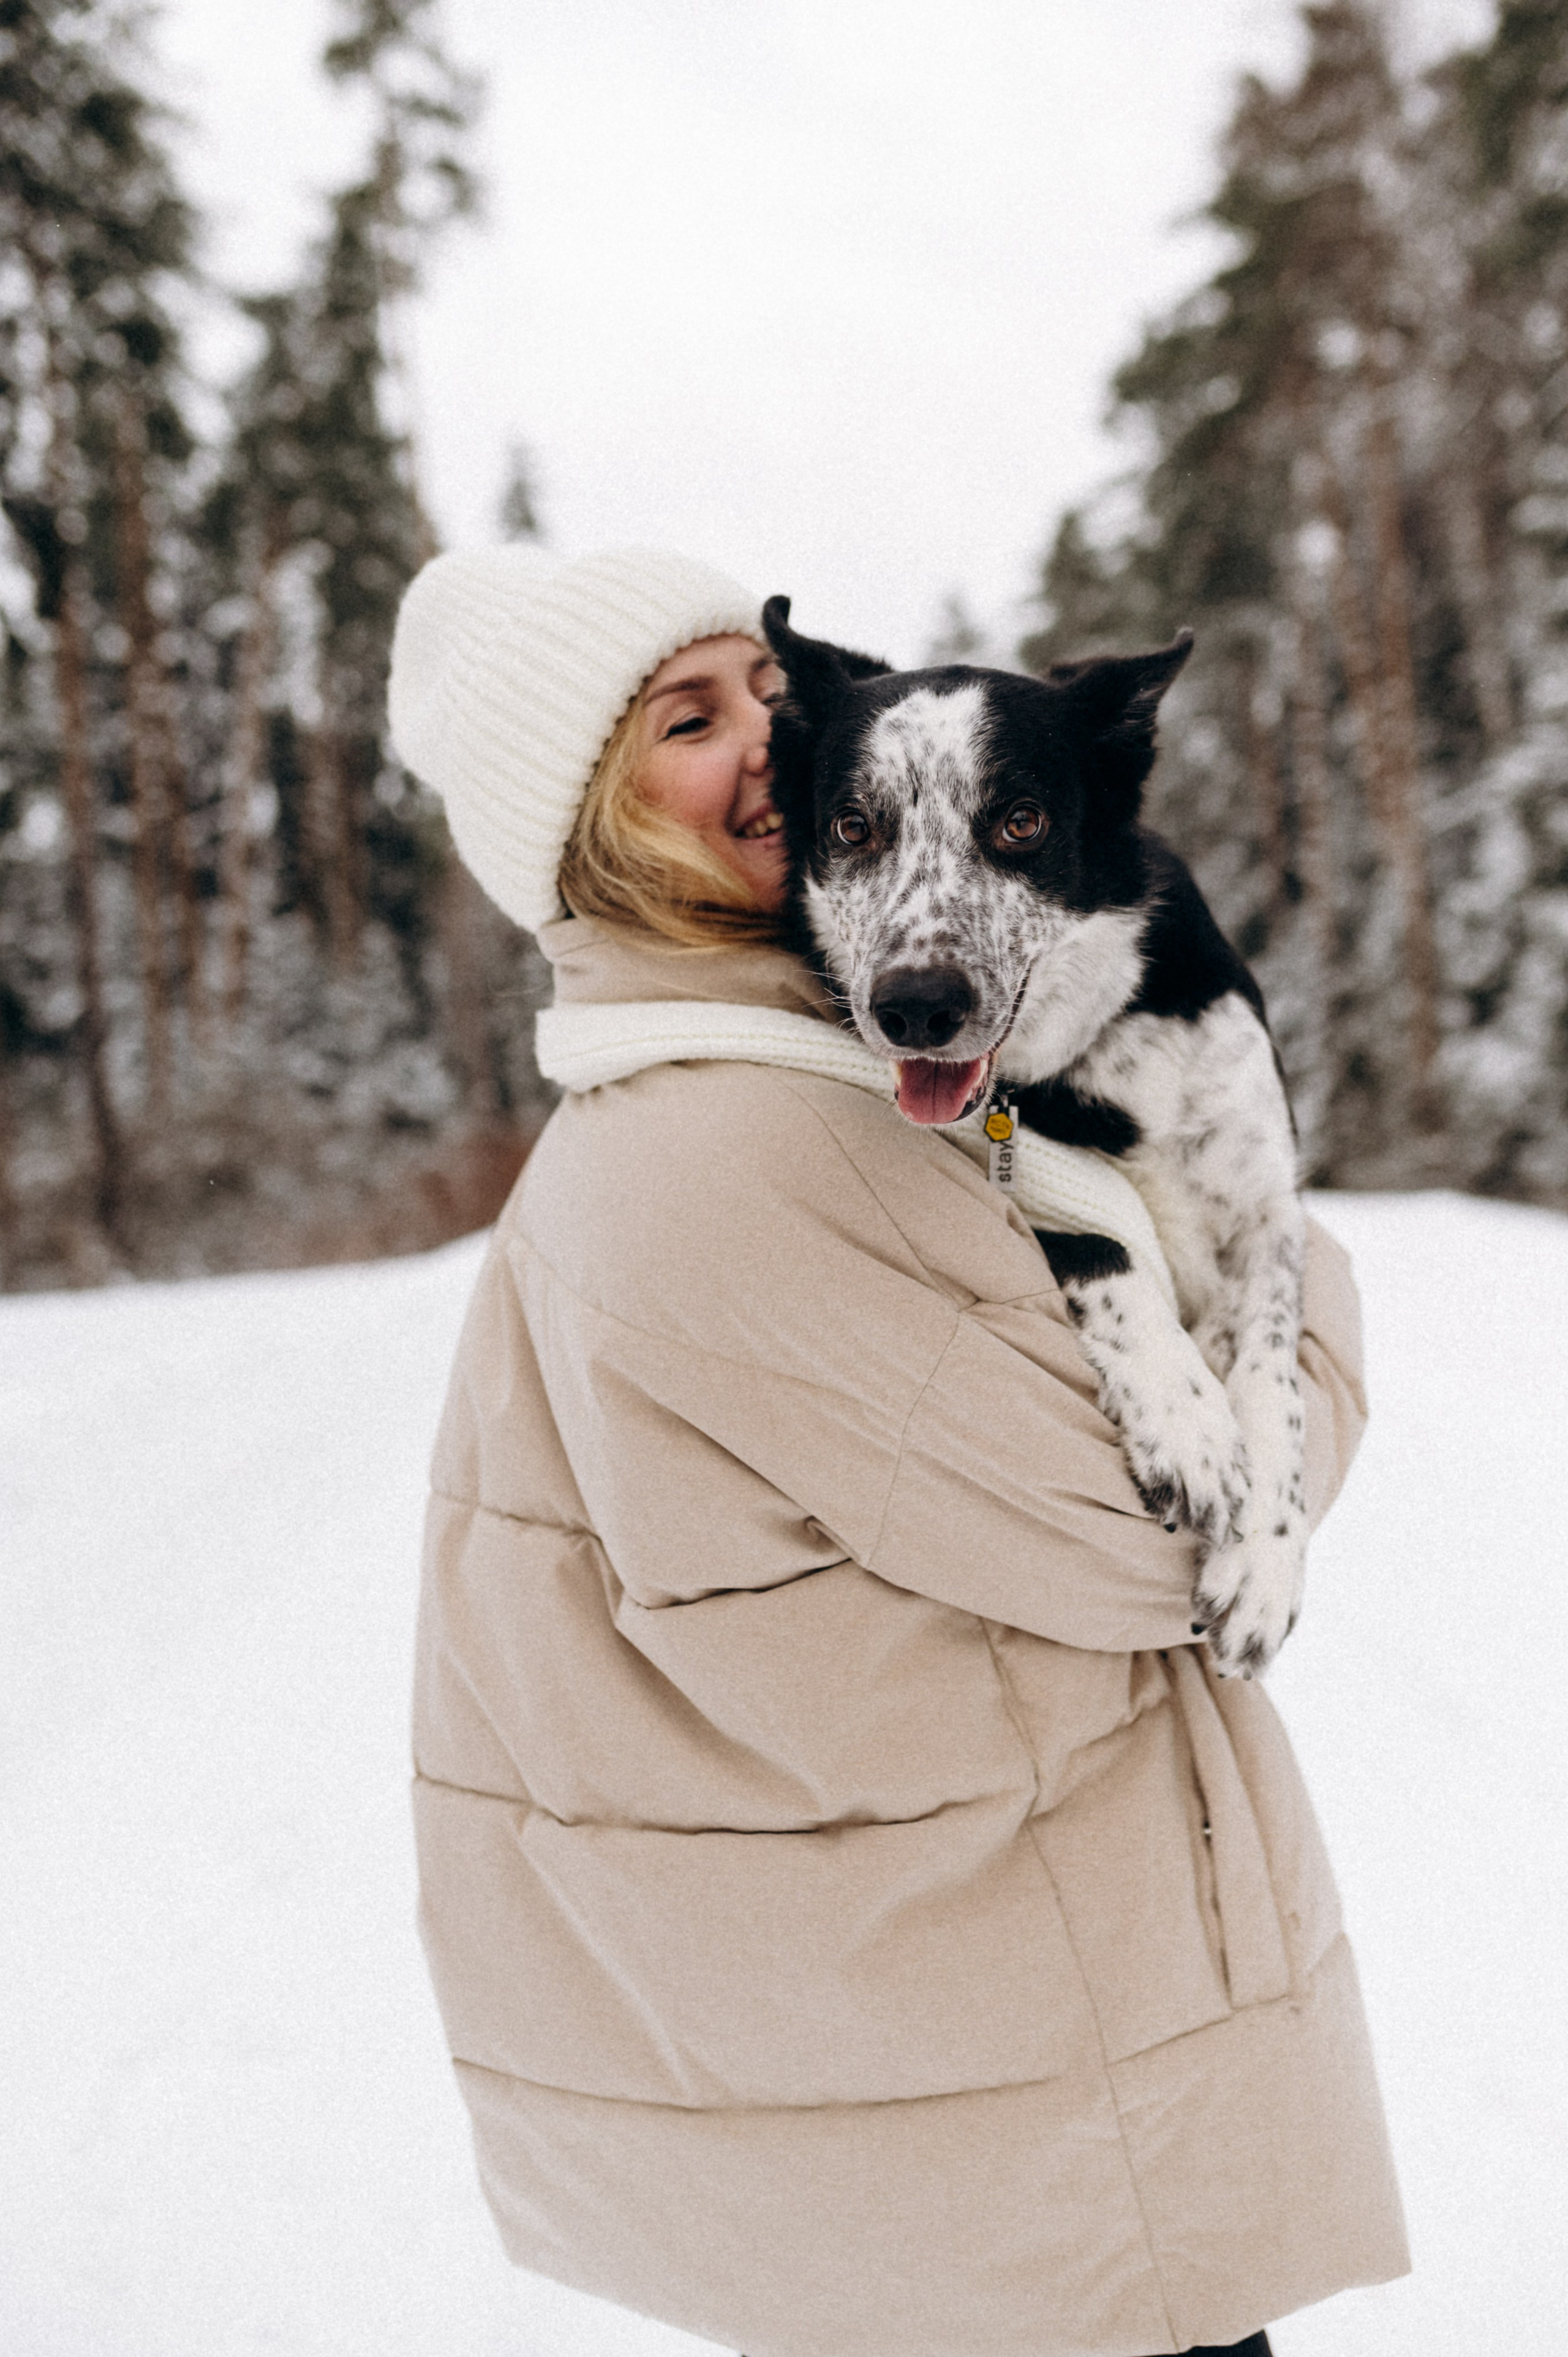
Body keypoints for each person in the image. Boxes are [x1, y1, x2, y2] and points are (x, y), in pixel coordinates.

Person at [387, 544, 1409, 2357]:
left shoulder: (776, 1078)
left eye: (768, 702)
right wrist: (1284, 1256)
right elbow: (1144, 1539)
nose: (770, 749)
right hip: (1007, 2112)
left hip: (939, 2064)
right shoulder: (750, 1145)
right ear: (585, 826)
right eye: (686, 723)